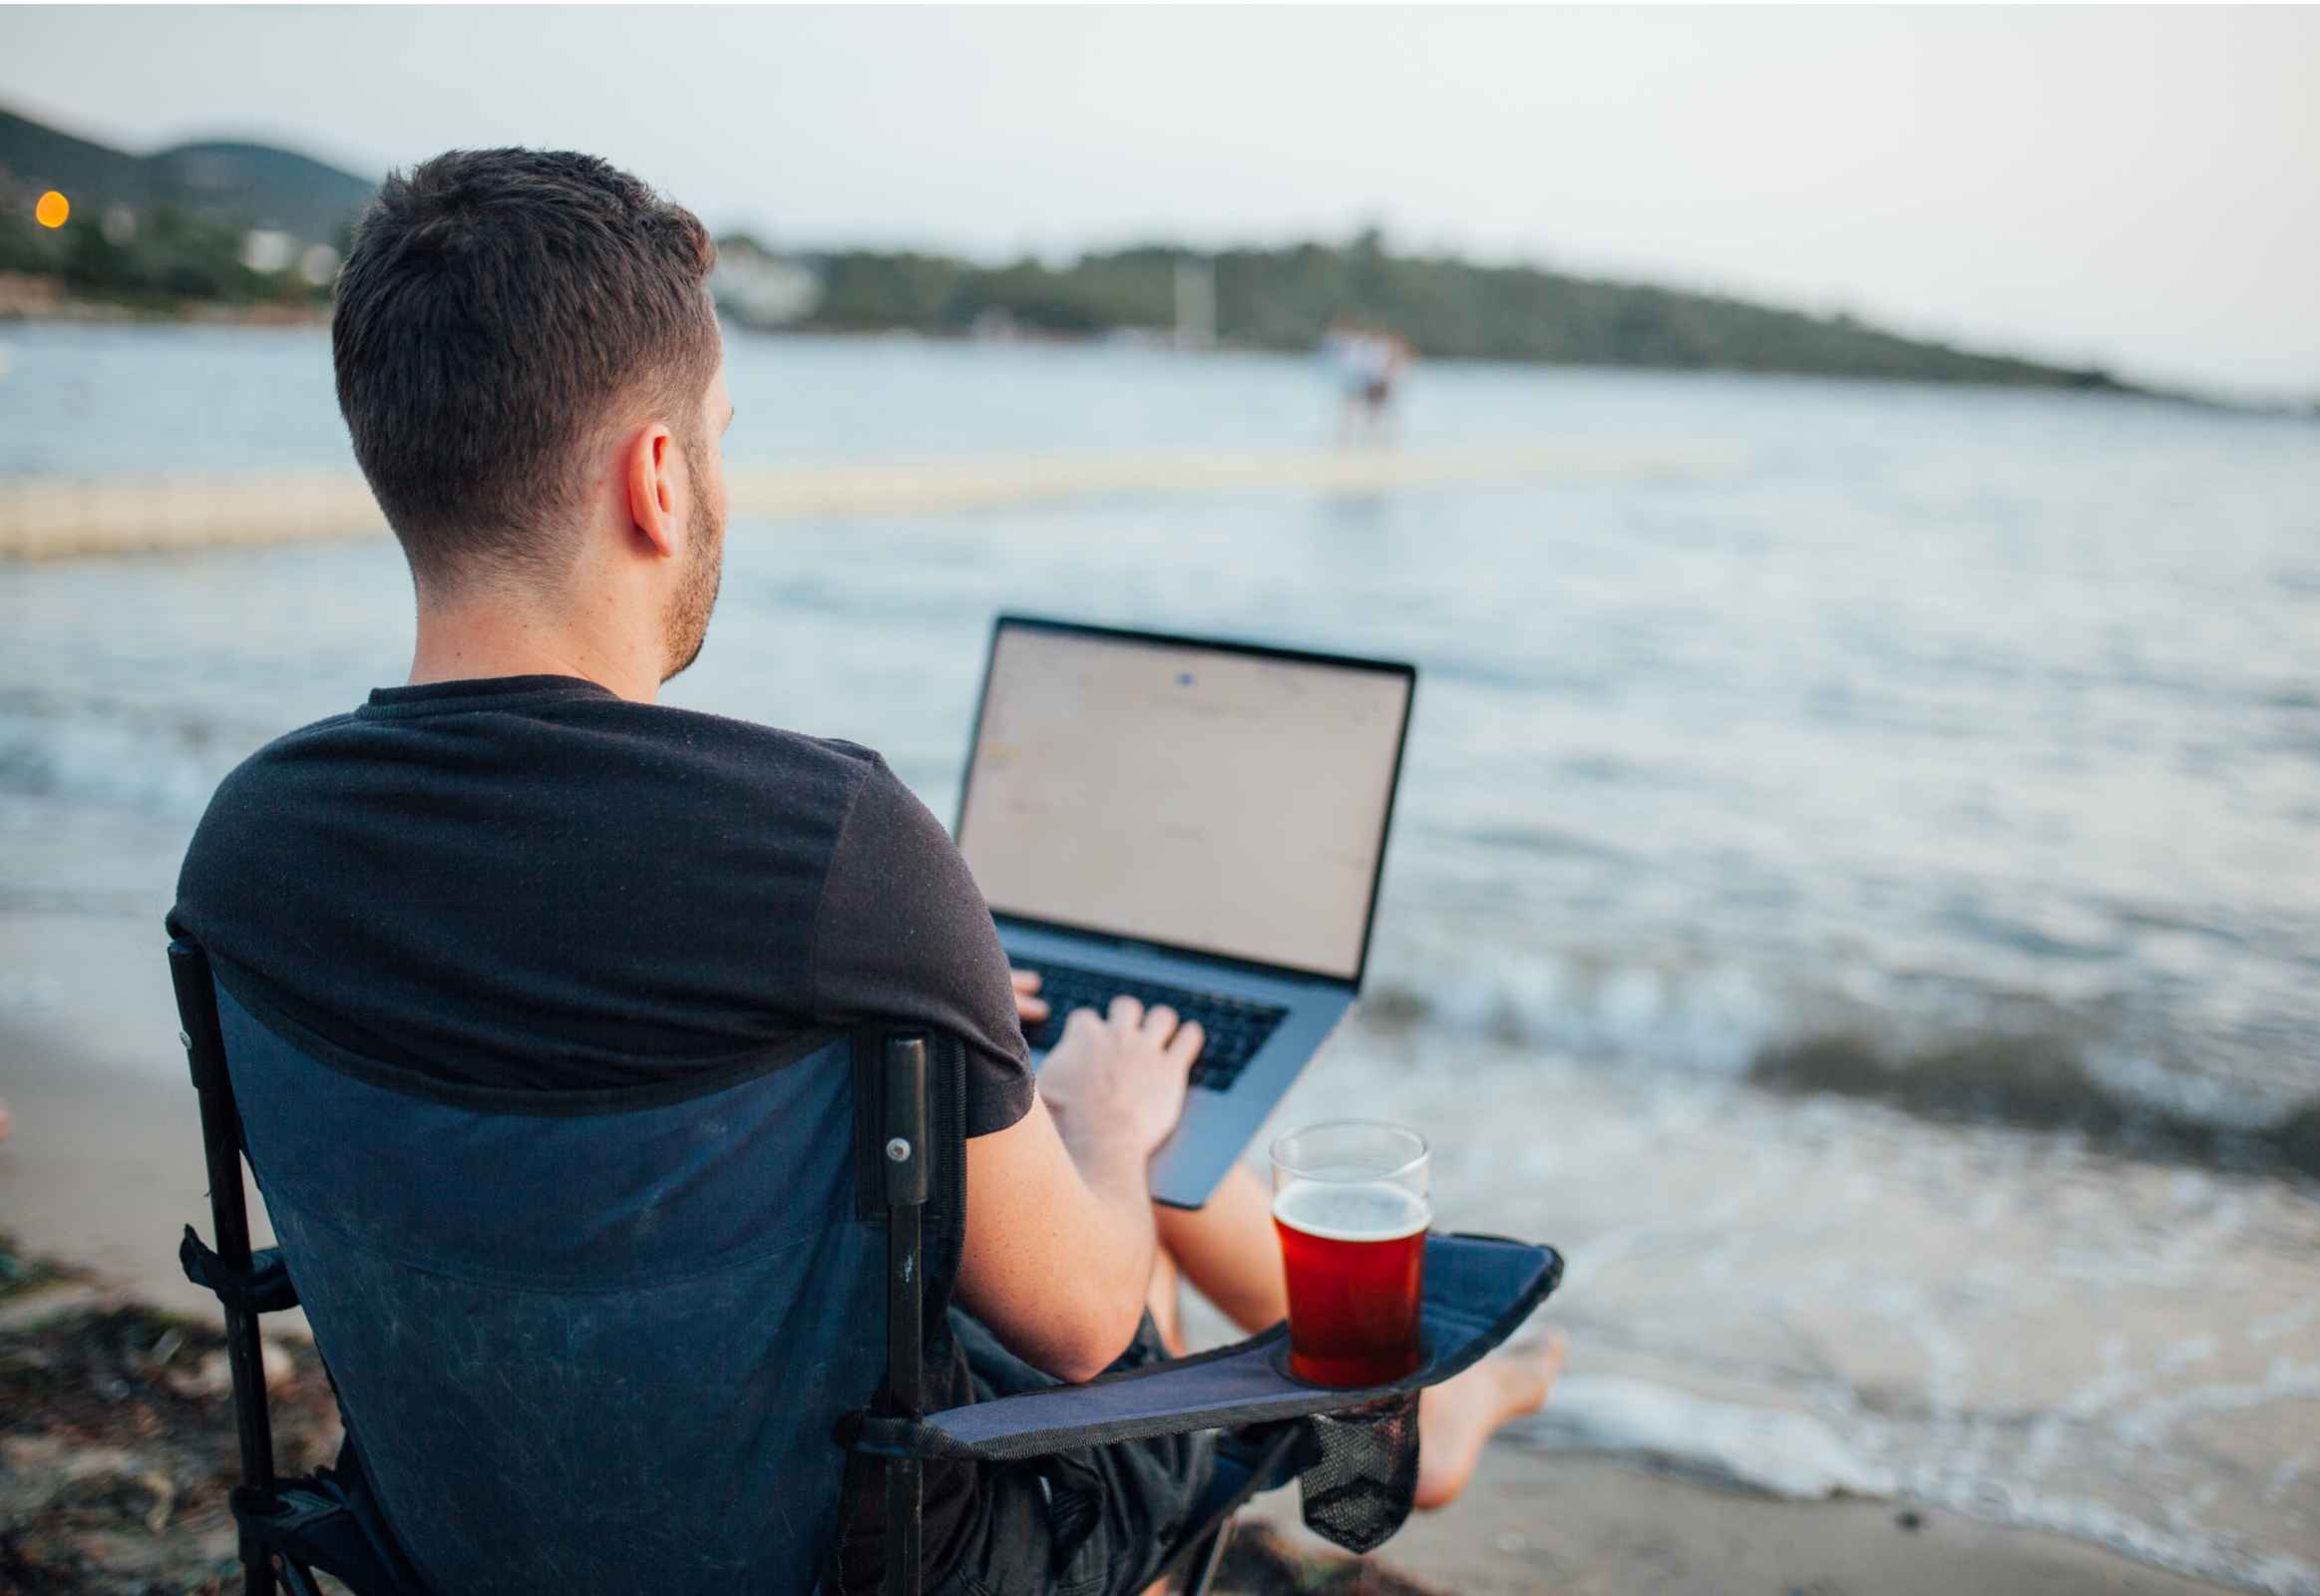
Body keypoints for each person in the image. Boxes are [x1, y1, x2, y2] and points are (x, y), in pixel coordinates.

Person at [167, 149, 1557, 1596]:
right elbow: (1083, 1334)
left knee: (1011, 1114)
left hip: (458, 1535)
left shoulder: (250, 846)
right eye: (717, 436)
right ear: (655, 477)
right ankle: (1405, 1407)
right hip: (844, 1566)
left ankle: (1410, 1403)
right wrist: (1104, 1119)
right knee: (1109, 1158)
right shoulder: (829, 850)